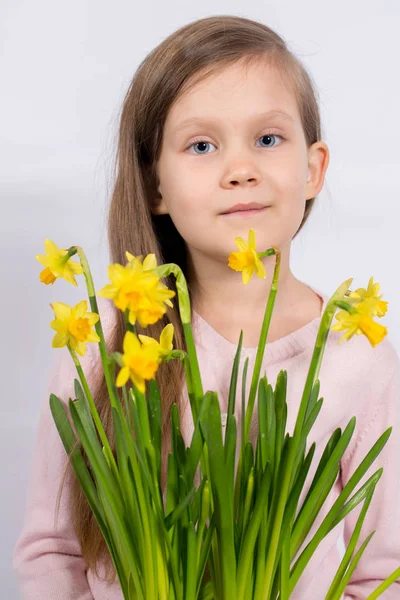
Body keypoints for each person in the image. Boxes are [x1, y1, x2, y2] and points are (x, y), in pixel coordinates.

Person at [13, 14, 400, 600]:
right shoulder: (98, 340)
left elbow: (380, 575)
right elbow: (54, 554)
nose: (240, 170)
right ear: (154, 187)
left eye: (268, 140)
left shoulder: (359, 359)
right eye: (201, 145)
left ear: (313, 169)